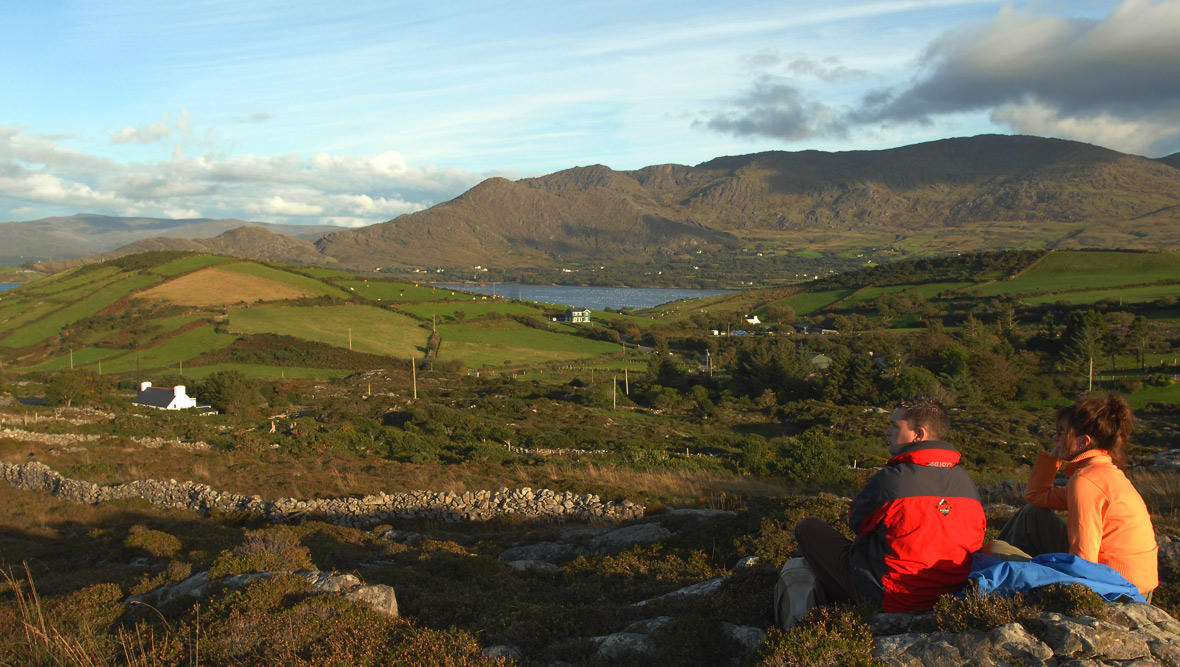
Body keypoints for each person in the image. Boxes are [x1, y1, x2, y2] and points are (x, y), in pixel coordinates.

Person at [779, 395, 986, 625]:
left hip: (894, 598)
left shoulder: (890, 481)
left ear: (918, 434)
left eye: (895, 426)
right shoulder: (967, 482)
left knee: (808, 528)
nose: (887, 432)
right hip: (951, 597)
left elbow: (856, 523)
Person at [986, 393, 1158, 599]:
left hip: (1119, 589)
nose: (1055, 438)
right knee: (1032, 515)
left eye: (1062, 432)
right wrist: (1054, 457)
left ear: (1083, 442)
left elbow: (1084, 560)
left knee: (995, 549)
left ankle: (988, 582)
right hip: (1133, 583)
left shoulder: (1086, 482)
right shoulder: (1101, 472)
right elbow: (1036, 496)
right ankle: (995, 578)